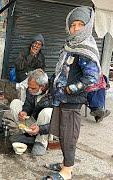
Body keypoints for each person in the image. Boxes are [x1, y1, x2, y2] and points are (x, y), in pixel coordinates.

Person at [43, 7, 100, 180]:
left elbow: (92, 77)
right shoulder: (70, 45)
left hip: (72, 101)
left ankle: (67, 171)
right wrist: (51, 84)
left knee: (69, 136)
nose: (75, 28)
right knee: (61, 132)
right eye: (72, 24)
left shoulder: (85, 49)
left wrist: (70, 89)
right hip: (61, 99)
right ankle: (65, 163)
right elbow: (62, 71)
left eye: (80, 24)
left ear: (88, 26)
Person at [9, 69, 53, 156]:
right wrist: (24, 112)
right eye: (29, 87)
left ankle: (40, 142)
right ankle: (27, 134)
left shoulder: (54, 92)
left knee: (47, 112)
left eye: (33, 88)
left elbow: (58, 120)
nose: (29, 89)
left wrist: (40, 129)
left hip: (46, 127)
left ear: (42, 87)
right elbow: (28, 104)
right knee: (15, 103)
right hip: (33, 119)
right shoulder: (31, 88)